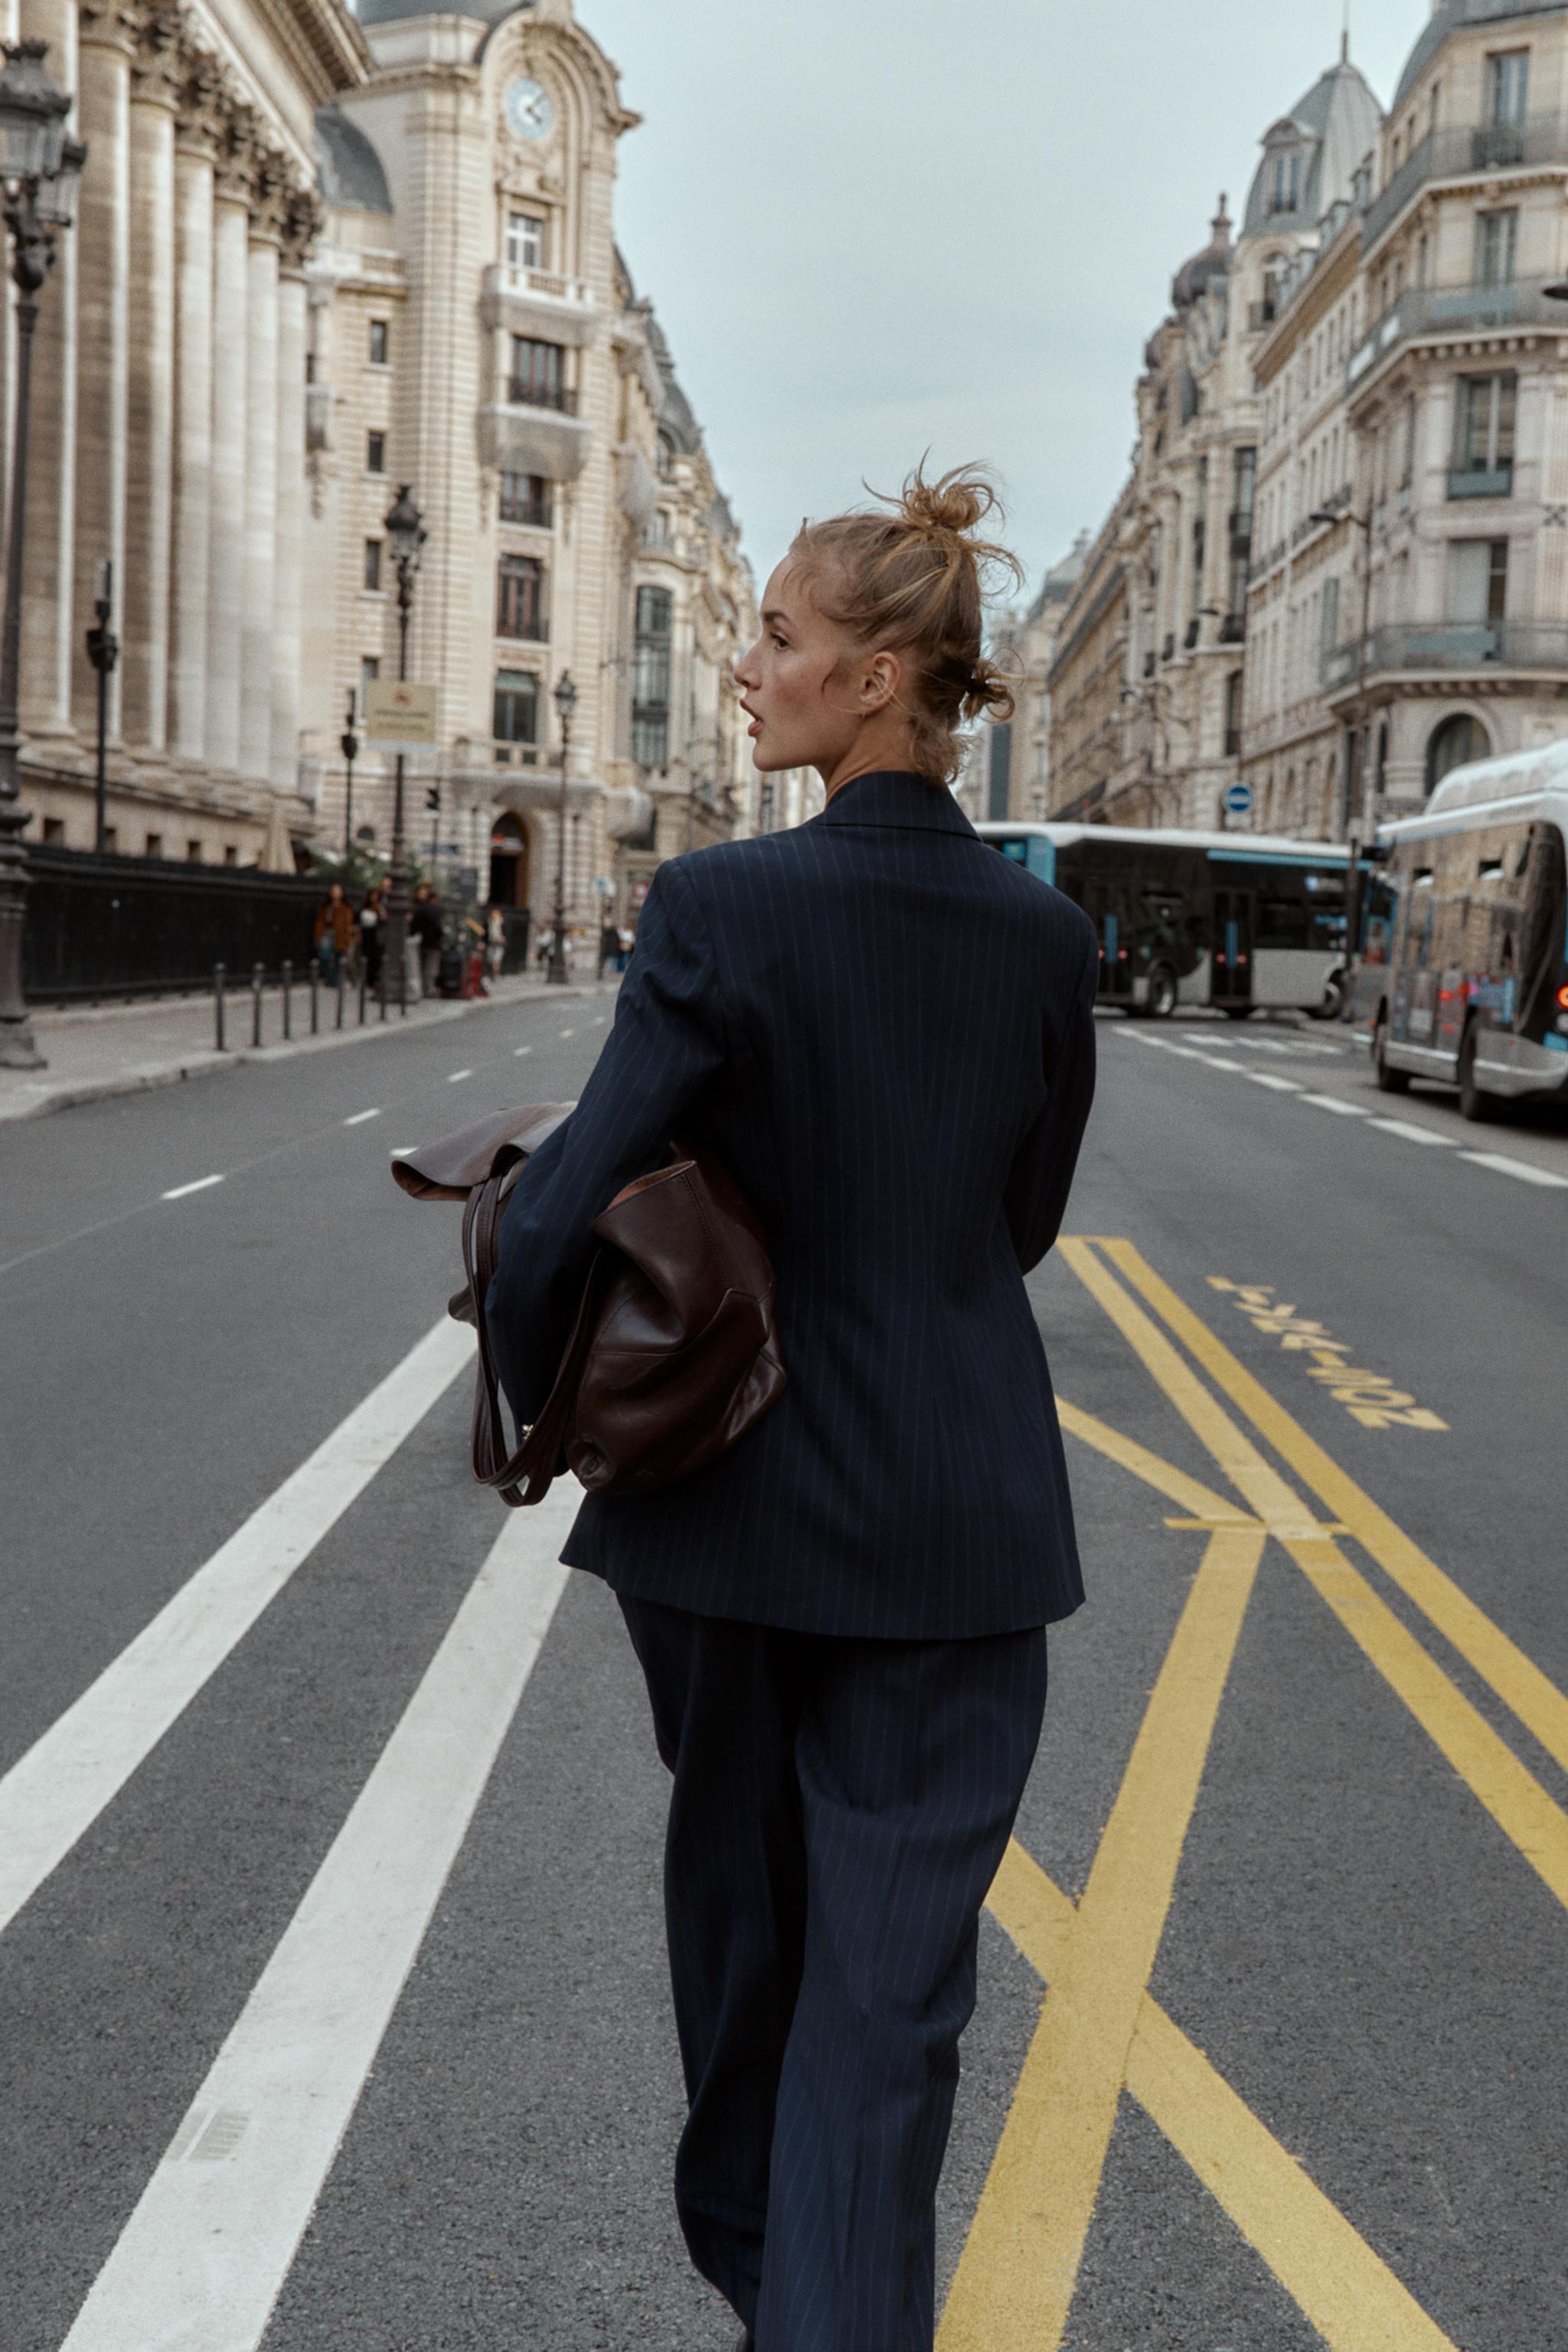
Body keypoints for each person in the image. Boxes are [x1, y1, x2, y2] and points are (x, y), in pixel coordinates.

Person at [486, 465, 1097, 2352]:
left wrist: (530, 1384)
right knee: (890, 2002)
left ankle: (779, 2275)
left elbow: (578, 1190)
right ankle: (816, 2288)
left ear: (880, 675)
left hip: (731, 1520)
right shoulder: (1040, 936)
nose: (744, 666)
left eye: (775, 636)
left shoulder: (720, 904)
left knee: (745, 1936)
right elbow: (1021, 1218)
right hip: (963, 1525)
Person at [312, 880, 354, 982]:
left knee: (339, 958)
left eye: (337, 891)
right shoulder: (326, 907)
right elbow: (320, 922)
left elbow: (348, 925)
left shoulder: (345, 908)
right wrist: (318, 936)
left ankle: (338, 979)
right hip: (327, 933)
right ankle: (332, 978)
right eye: (333, 891)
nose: (335, 893)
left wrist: (346, 940)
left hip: (340, 935)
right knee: (324, 955)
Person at [412, 883, 445, 1001]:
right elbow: (438, 927)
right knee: (431, 968)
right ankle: (428, 990)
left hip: (421, 942)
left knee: (421, 966)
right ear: (435, 899)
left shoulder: (419, 908)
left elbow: (414, 925)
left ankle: (421, 989)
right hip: (434, 943)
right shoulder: (434, 910)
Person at [357, 885, 384, 995]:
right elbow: (358, 922)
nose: (374, 898)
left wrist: (380, 908)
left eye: (376, 896)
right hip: (365, 935)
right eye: (372, 896)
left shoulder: (380, 907)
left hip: (375, 936)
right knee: (365, 958)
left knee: (375, 960)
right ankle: (367, 981)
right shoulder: (363, 908)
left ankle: (374, 982)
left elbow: (384, 919)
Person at [597, 916, 620, 980]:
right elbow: (617, 939)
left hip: (604, 949)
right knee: (610, 963)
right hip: (611, 949)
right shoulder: (614, 931)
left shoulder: (603, 931)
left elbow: (601, 940)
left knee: (603, 962)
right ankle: (608, 974)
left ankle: (601, 973)